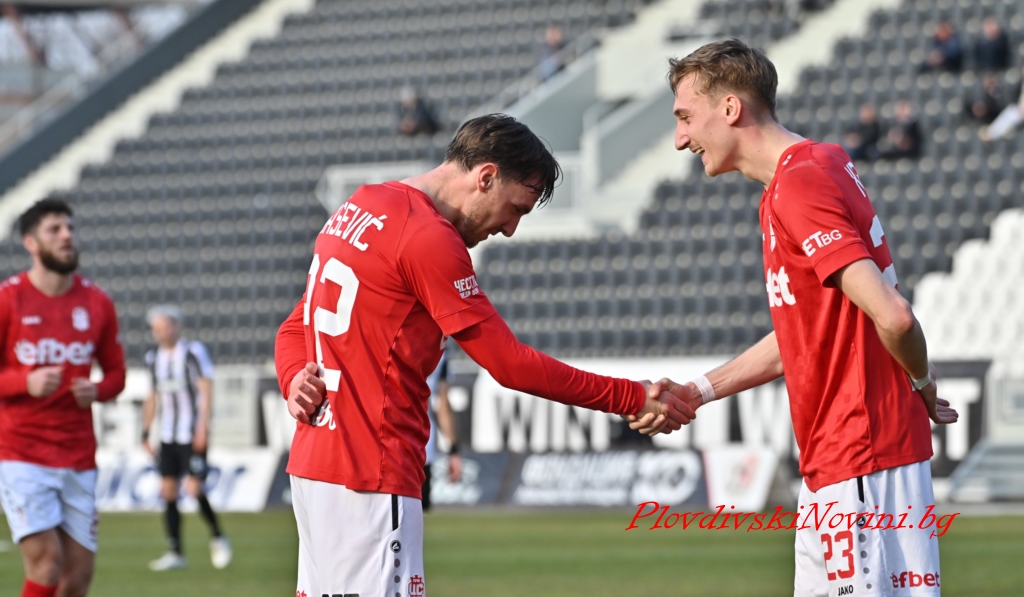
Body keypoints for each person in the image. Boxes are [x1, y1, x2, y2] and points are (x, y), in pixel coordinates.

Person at [274, 113, 694, 597]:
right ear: (486, 176)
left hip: (314, 469)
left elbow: (294, 326)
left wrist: (293, 378)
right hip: (371, 473)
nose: (510, 229)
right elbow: (509, 364)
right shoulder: (427, 235)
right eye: (515, 208)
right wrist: (631, 397)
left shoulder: (361, 204)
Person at [630, 39, 959, 596]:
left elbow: (895, 316)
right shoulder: (816, 166)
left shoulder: (799, 184)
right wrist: (698, 391)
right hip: (840, 462)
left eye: (685, 117)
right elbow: (805, 333)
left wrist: (921, 382)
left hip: (862, 456)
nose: (681, 138)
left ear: (730, 108)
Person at [0, 198, 126, 597]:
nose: (67, 235)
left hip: (78, 456)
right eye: (54, 229)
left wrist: (98, 390)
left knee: (76, 579)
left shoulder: (97, 302)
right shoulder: (8, 299)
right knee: (46, 563)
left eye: (69, 227)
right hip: (21, 454)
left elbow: (117, 375)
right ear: (31, 243)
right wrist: (25, 382)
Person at [140, 305, 231, 571]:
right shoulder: (153, 358)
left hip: (191, 434)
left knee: (193, 488)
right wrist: (146, 432)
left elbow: (205, 388)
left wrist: (203, 428)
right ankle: (176, 552)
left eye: (165, 326)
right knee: (168, 491)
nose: (161, 332)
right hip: (167, 436)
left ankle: (218, 536)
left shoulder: (192, 352)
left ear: (177, 326)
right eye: (157, 328)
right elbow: (152, 396)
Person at [422, 349, 461, 512]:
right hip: (422, 445)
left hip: (387, 442)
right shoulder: (440, 350)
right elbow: (443, 406)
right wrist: (453, 451)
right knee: (416, 517)